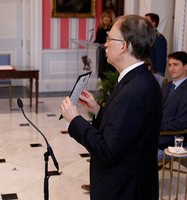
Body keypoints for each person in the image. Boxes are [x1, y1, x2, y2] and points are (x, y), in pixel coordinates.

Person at [61, 15, 163, 199]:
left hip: (124, 189)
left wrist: (75, 119)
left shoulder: (134, 89)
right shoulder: (138, 79)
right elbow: (125, 131)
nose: (105, 44)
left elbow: (107, 151)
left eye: (109, 39)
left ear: (124, 46)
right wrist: (98, 110)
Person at [158, 51, 187, 155]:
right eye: (169, 65)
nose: (171, 69)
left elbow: (181, 123)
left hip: (171, 138)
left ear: (186, 66)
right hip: (156, 134)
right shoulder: (167, 86)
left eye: (175, 65)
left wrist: (156, 125)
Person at [94, 9, 116, 79]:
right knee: (101, 68)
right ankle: (101, 80)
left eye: (108, 17)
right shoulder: (100, 28)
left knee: (108, 68)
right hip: (101, 52)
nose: (106, 19)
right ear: (102, 18)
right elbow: (97, 40)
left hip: (109, 52)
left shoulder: (112, 29)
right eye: (105, 17)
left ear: (111, 19)